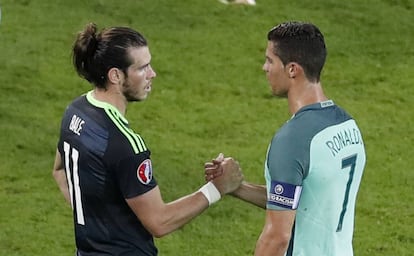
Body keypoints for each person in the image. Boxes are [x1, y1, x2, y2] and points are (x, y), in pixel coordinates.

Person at [52, 23, 243, 256]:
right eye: (143, 68)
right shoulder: (124, 145)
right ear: (115, 75)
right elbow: (159, 222)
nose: (152, 74)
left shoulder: (75, 110)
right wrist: (216, 188)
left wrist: (94, 218)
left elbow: (59, 171)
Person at [205, 21, 366, 256]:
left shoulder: (293, 140)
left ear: (292, 69)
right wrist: (238, 187)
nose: (264, 68)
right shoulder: (347, 125)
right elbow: (305, 199)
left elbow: (277, 237)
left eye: (270, 61)